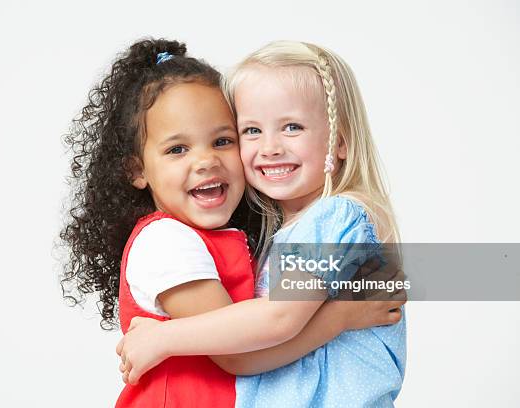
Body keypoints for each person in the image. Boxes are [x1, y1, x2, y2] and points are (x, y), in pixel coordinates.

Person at [117, 40, 406, 408]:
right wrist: (343, 315)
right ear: (137, 168)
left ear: (340, 141)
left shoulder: (335, 218)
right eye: (252, 131)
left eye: (292, 127)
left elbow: (278, 318)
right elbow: (252, 343)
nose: (269, 147)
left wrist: (164, 337)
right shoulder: (182, 239)